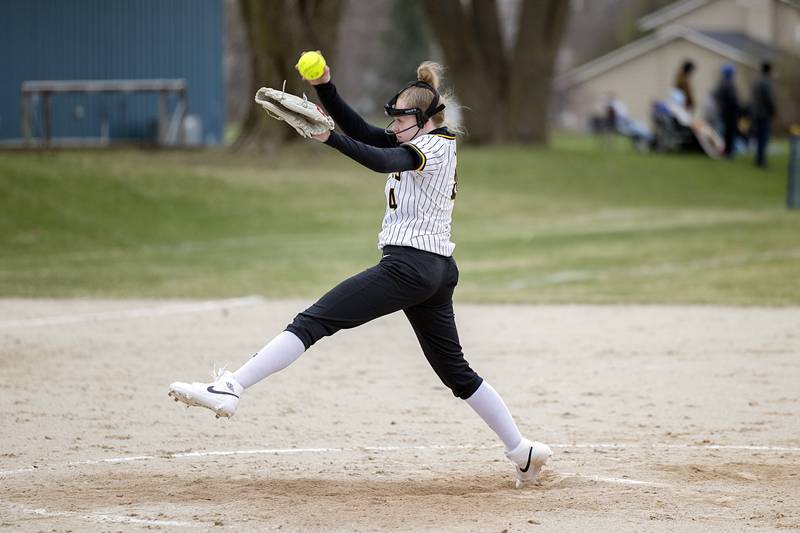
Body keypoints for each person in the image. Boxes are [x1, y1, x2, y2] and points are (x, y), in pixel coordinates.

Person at [168, 59, 552, 488]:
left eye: (402, 116)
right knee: (455, 372)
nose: (394, 123)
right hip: (434, 270)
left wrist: (328, 137)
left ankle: (232, 387)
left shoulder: (436, 147)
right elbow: (363, 132)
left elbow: (375, 159)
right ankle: (523, 452)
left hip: (410, 266)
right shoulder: (416, 140)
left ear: (424, 119)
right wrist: (326, 87)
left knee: (312, 321)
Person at [750, 61, 777, 168]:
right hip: (764, 114)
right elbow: (769, 99)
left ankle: (758, 158)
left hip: (756, 113)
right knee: (763, 137)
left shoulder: (756, 81)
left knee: (759, 136)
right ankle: (761, 161)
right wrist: (774, 110)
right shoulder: (767, 82)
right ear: (769, 70)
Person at [713, 63, 741, 158]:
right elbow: (734, 100)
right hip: (731, 113)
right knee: (730, 133)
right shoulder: (729, 85)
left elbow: (716, 96)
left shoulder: (721, 84)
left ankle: (725, 151)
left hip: (724, 112)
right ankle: (729, 152)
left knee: (725, 133)